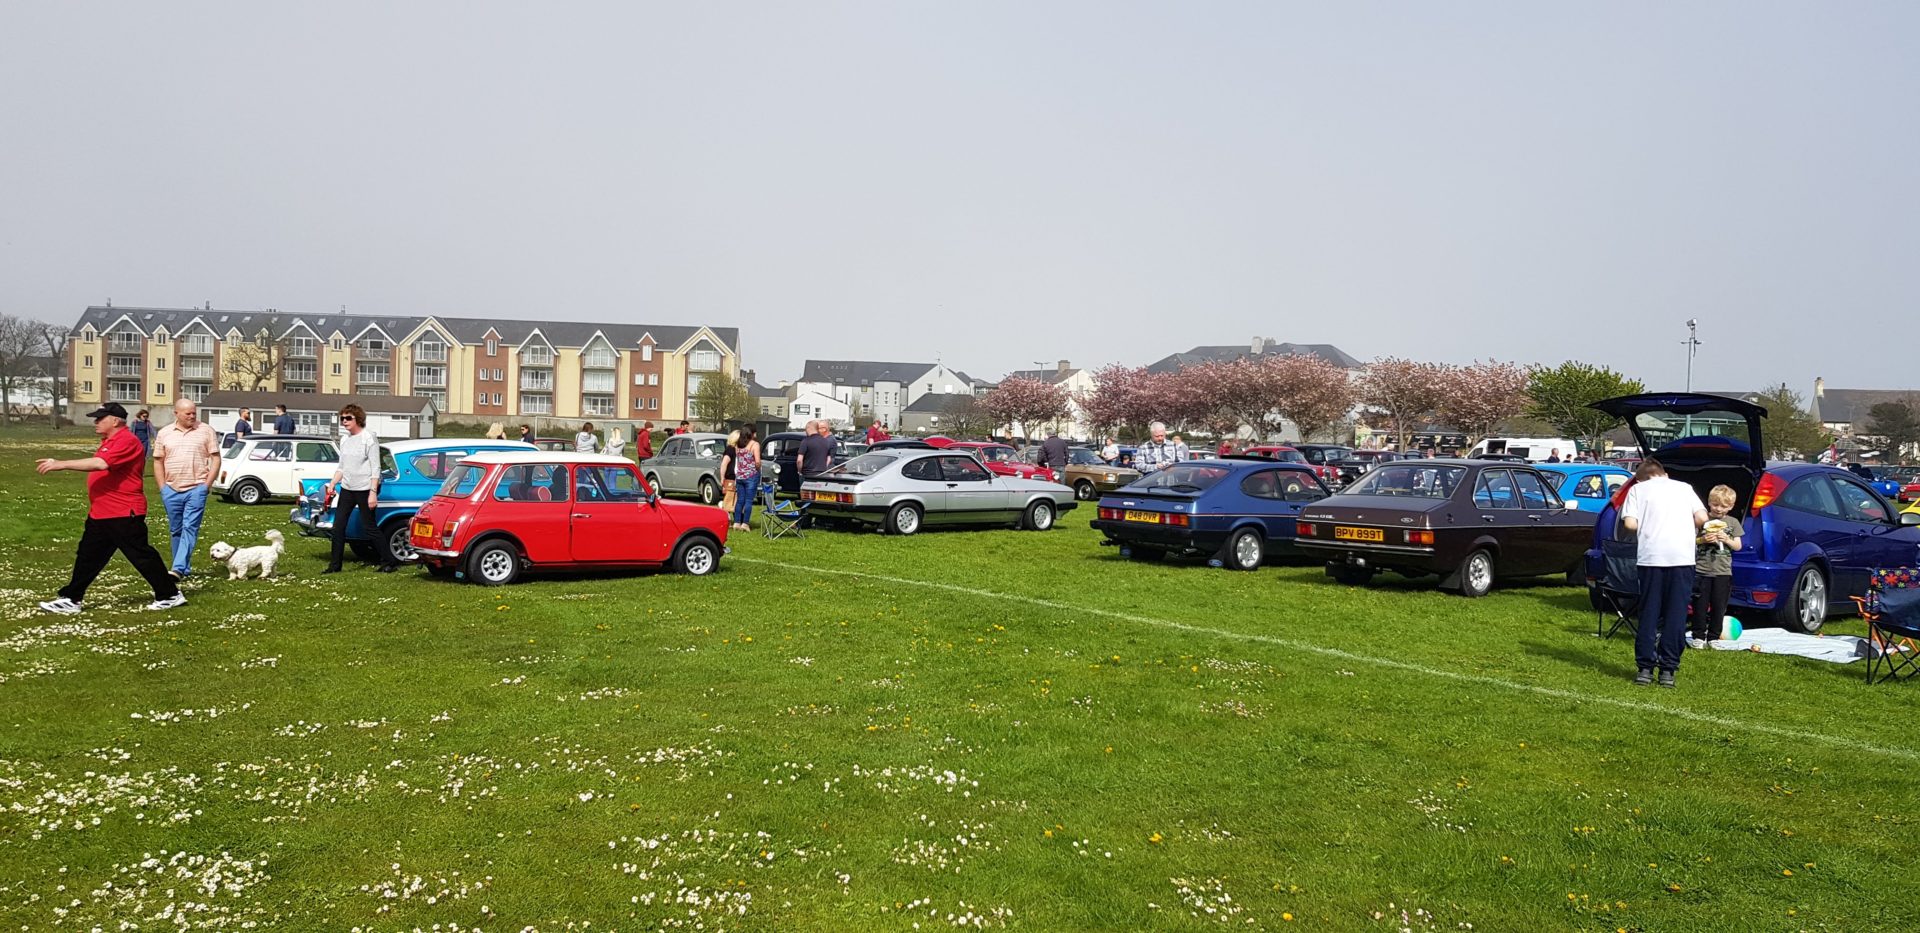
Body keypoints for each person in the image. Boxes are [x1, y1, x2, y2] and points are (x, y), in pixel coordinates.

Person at [36, 402, 185, 614]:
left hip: (123, 511)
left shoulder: (126, 440)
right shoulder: (110, 441)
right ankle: (72, 598)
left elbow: (101, 464)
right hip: (103, 512)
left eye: (100, 418)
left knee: (141, 555)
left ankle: (169, 594)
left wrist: (61, 464)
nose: (96, 422)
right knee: (88, 556)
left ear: (115, 421)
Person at [1620, 458, 1708, 688]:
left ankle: (1645, 668)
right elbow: (1702, 518)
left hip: (1651, 558)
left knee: (1649, 612)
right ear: (1664, 474)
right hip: (1682, 558)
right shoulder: (1685, 488)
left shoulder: (1637, 490)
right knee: (1676, 614)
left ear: (1640, 479)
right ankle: (1668, 669)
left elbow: (1630, 524)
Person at [152, 397, 219, 579]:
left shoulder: (206, 430)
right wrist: (163, 488)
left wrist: (206, 485)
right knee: (176, 530)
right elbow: (158, 461)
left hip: (196, 487)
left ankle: (178, 568)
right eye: (188, 413)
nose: (192, 416)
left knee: (190, 527)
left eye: (194, 413)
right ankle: (182, 567)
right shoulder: (165, 433)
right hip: (171, 489)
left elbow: (216, 459)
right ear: (176, 413)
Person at [321, 404, 392, 573]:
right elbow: (342, 467)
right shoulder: (345, 439)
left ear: (358, 419)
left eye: (348, 418)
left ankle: (389, 561)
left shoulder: (369, 437)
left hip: (365, 488)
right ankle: (335, 566)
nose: (344, 421)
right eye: (342, 418)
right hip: (347, 488)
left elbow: (376, 468)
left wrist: (373, 493)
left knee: (369, 527)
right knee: (338, 527)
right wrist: (333, 483)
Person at [1689, 485, 1745, 648]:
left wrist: (1726, 539)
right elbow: (1690, 540)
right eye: (1715, 505)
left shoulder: (1732, 522)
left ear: (1731, 506)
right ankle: (1698, 636)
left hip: (1723, 572)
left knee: (1719, 606)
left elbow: (1738, 546)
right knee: (1699, 605)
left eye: (1723, 506)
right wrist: (1703, 540)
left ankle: (1714, 637)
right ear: (1709, 503)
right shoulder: (1702, 520)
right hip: (1702, 570)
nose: (1719, 509)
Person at [730, 426, 761, 531]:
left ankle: (736, 522)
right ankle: (745, 523)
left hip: (740, 476)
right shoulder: (754, 444)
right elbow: (757, 461)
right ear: (751, 434)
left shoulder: (738, 445)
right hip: (751, 475)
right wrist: (757, 468)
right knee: (748, 500)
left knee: (740, 500)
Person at [719, 429, 741, 515]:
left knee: (737, 499)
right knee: (729, 498)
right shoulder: (730, 449)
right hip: (731, 478)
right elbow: (724, 464)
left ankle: (737, 517)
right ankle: (725, 515)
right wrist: (722, 477)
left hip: (739, 477)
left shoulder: (740, 449)